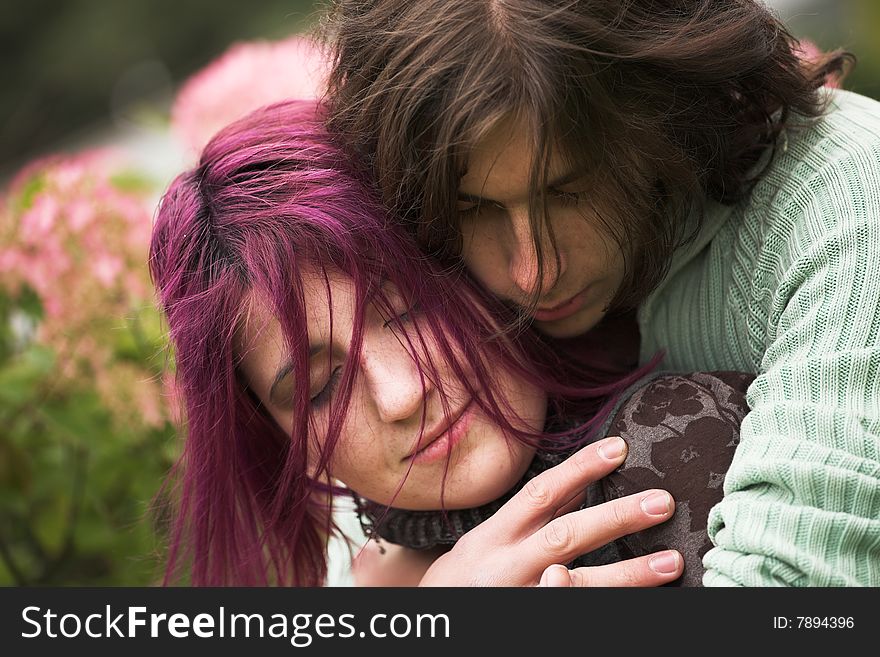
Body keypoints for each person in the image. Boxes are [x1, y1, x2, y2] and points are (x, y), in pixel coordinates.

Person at [321, 0, 880, 586]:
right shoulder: (432, 261)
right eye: (473, 209)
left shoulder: (847, 212)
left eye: (568, 191)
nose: (533, 272)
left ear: (665, 118)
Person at [150, 98, 751, 586]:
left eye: (410, 309)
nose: (401, 394)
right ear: (288, 443)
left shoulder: (670, 449)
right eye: (321, 386)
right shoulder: (369, 569)